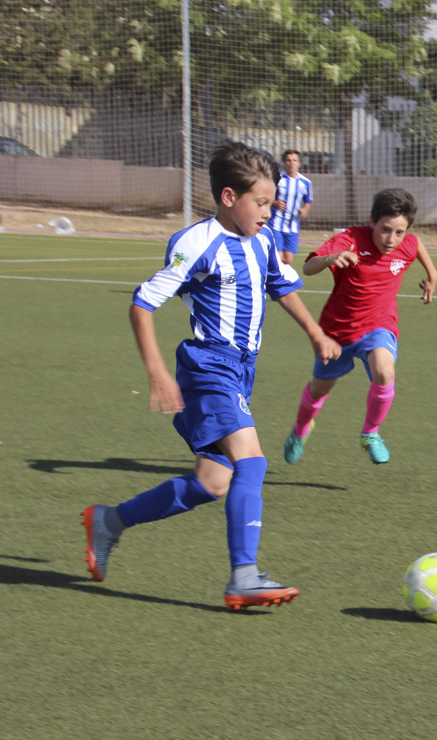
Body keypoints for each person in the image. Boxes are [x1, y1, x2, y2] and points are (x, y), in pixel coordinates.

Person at [80, 141, 340, 610]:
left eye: (272, 202)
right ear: (227, 197)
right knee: (253, 461)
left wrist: (317, 334)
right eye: (260, 202)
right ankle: (244, 574)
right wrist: (158, 372)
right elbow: (141, 304)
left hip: (241, 371)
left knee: (212, 482)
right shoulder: (196, 244)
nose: (269, 212)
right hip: (208, 365)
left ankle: (109, 521)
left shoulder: (262, 242)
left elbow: (282, 289)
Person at [283, 188, 437, 465]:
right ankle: (300, 429)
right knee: (320, 390)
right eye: (385, 230)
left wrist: (432, 276)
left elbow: (417, 246)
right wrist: (330, 259)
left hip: (379, 325)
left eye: (399, 232)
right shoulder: (350, 239)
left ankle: (370, 433)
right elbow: (307, 267)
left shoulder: (407, 243)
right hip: (337, 332)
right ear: (371, 222)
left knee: (384, 370)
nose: (391, 239)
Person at [268, 149, 314, 266]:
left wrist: (305, 209)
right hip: (275, 223)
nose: (291, 163)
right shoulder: (276, 178)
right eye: (288, 160)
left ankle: (281, 282)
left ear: (299, 163)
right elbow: (265, 195)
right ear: (284, 163)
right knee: (278, 260)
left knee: (288, 261)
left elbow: (308, 201)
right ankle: (273, 281)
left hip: (292, 226)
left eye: (294, 160)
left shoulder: (305, 182)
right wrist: (274, 202)